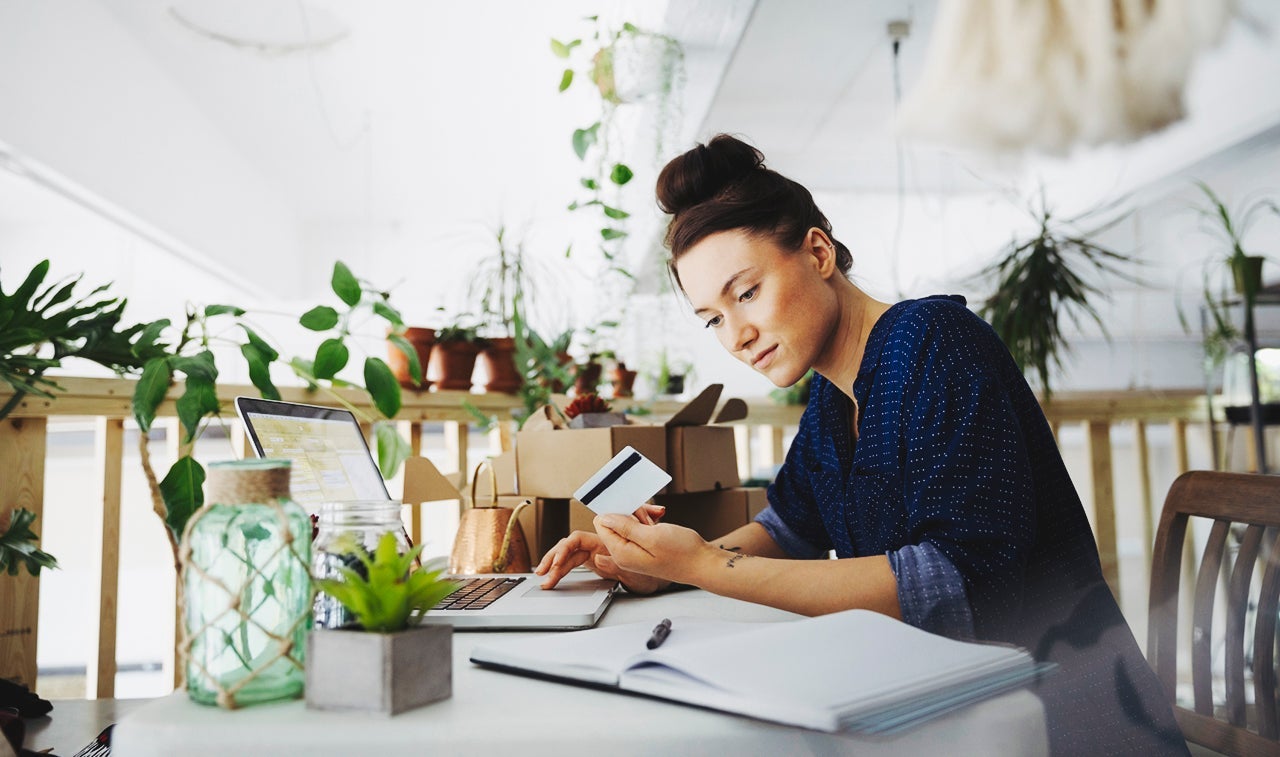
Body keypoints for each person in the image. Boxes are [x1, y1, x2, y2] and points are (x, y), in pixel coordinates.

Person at [535, 134, 1187, 755]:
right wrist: (659, 564)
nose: (736, 334)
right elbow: (787, 527)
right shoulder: (830, 395)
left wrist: (705, 566)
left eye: (748, 292)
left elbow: (962, 583)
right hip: (932, 706)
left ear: (818, 253)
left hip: (1060, 718)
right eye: (713, 318)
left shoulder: (937, 341)